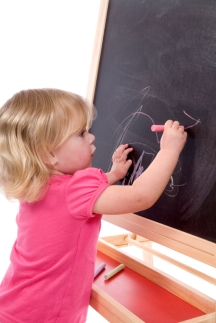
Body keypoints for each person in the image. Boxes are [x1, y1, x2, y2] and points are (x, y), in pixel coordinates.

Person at [0, 88, 187, 323]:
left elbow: (78, 199)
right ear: (49, 154)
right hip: (45, 316)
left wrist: (114, 173)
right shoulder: (75, 190)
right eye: (81, 133)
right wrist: (169, 150)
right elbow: (141, 196)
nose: (92, 137)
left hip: (14, 306)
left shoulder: (38, 187)